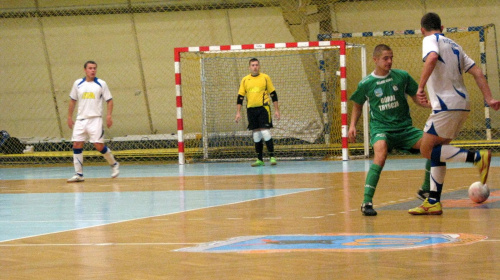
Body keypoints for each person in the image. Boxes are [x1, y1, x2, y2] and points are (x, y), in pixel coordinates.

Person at [409, 13, 500, 215]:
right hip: (462, 104)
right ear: (442, 26)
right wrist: (489, 99)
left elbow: (432, 57)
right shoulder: (456, 46)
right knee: (438, 151)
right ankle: (433, 201)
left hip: (445, 104)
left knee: (426, 149)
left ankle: (477, 157)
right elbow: (477, 71)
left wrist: (420, 87)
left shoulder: (429, 40)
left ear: (422, 29)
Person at [349, 44, 432, 216]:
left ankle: (424, 189)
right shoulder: (366, 83)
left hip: (404, 129)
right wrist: (352, 126)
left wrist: (432, 105)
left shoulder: (402, 76)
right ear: (375, 60)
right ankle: (367, 202)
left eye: (391, 57)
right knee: (380, 153)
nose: (389, 61)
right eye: (385, 58)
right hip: (381, 128)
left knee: (433, 146)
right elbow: (357, 105)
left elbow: (416, 96)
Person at [67, 61, 120, 182]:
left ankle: (114, 164)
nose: (93, 70)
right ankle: (79, 174)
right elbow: (72, 101)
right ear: (85, 70)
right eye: (90, 68)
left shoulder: (101, 84)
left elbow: (109, 100)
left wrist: (108, 116)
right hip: (80, 119)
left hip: (95, 119)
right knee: (76, 144)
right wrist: (69, 117)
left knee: (99, 146)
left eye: (94, 68)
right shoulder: (78, 83)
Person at [235, 58, 280, 167]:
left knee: (265, 131)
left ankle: (272, 157)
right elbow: (240, 97)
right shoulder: (245, 80)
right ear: (249, 67)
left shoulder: (265, 78)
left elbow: (273, 94)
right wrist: (238, 112)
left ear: (259, 66)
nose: (255, 67)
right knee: (256, 134)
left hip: (263, 108)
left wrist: (276, 110)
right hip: (251, 109)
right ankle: (259, 159)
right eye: (252, 65)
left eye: (256, 65)